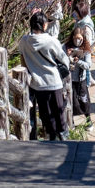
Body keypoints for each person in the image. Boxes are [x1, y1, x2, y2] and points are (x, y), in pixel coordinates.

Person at [17, 12, 70, 140]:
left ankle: (51, 138)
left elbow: (22, 56)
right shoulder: (51, 41)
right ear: (44, 25)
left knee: (46, 114)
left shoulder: (24, 41)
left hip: (38, 84)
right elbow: (64, 60)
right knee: (59, 112)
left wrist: (29, 69)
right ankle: (63, 138)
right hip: (54, 82)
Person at [66, 25, 93, 124]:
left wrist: (78, 62)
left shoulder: (86, 49)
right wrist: (67, 56)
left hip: (81, 79)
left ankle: (89, 121)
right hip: (70, 79)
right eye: (76, 38)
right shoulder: (66, 47)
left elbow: (88, 65)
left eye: (80, 39)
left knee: (84, 101)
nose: (78, 41)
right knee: (71, 101)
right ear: (73, 37)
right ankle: (71, 122)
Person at [72, 1, 95, 86]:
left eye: (76, 12)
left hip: (84, 49)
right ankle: (91, 80)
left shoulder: (86, 27)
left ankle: (88, 82)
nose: (74, 14)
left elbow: (87, 42)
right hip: (83, 48)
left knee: (85, 66)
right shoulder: (81, 21)